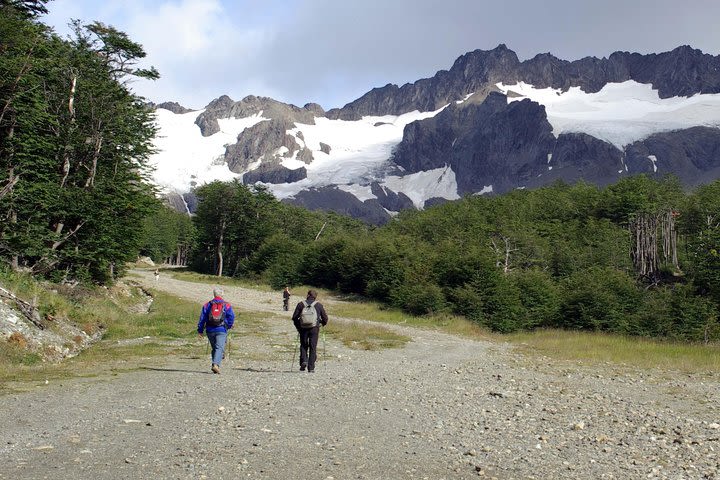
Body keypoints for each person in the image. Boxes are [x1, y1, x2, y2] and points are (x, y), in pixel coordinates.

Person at [197, 287, 235, 374]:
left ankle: (214, 365)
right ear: (222, 294)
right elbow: (231, 316)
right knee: (219, 348)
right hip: (221, 329)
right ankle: (215, 364)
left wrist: (200, 330)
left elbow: (202, 318)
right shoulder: (227, 305)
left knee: (215, 347)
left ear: (214, 294)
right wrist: (228, 326)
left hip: (210, 330)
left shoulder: (207, 305)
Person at [291, 289, 328, 372]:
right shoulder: (318, 305)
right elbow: (325, 318)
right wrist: (322, 323)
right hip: (314, 328)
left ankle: (304, 361)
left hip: (303, 328)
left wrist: (299, 326)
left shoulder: (301, 304)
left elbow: (294, 317)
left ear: (308, 295)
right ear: (315, 296)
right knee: (313, 347)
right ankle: (311, 368)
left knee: (303, 345)